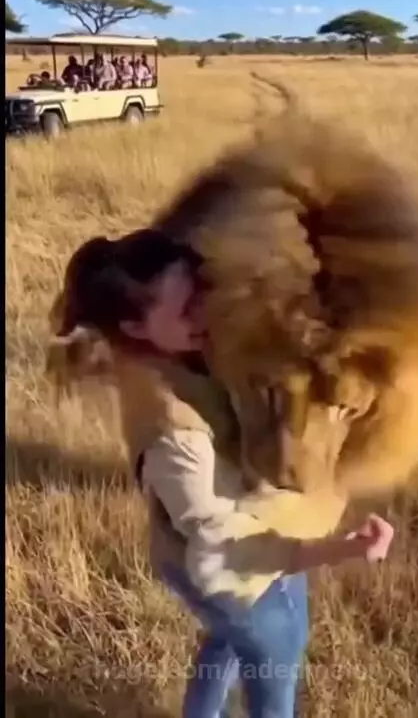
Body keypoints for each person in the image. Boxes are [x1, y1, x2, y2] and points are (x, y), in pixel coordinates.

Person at [48, 228, 395, 718]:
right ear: (136, 324)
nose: (207, 312)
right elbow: (235, 553)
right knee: (273, 664)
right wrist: (349, 547)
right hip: (239, 575)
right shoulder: (177, 440)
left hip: (180, 555)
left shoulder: (143, 350)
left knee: (226, 638)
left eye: (201, 292)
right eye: (186, 309)